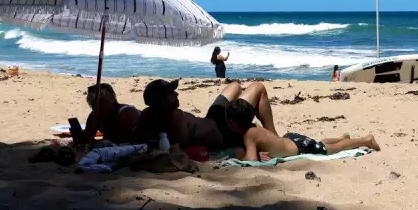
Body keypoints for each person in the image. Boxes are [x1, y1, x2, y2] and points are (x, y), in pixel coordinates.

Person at [141, 79, 278, 151]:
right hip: (225, 130)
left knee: (235, 86)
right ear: (163, 101)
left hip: (213, 117)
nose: (176, 94)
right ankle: (274, 137)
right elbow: (180, 146)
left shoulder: (153, 114)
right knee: (258, 87)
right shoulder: (172, 120)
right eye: (171, 93)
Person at [231, 119, 381, 162]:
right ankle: (341, 138)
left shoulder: (249, 135)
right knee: (319, 143)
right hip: (291, 138)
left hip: (299, 147)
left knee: (331, 149)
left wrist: (245, 157)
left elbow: (251, 161)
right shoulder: (255, 126)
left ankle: (366, 140)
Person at [71, 83, 142, 146]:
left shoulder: (127, 113)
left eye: (99, 103)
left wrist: (103, 143)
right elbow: (87, 138)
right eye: (92, 104)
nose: (95, 107)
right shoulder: (95, 116)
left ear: (110, 101)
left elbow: (137, 140)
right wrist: (78, 135)